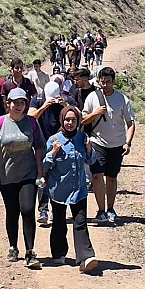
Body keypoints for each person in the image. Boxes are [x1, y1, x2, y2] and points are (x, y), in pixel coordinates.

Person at [0, 88, 46, 269]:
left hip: (28, 174)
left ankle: (30, 251)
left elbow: (39, 148)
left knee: (28, 210)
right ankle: (13, 246)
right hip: (6, 175)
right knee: (12, 212)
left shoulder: (32, 123)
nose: (19, 106)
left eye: (22, 103)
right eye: (16, 103)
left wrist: (40, 171)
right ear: (8, 103)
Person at [43, 106, 99, 273]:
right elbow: (45, 165)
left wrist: (89, 149)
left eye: (73, 120)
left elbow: (91, 160)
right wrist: (53, 153)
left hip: (79, 189)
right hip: (59, 189)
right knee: (59, 222)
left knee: (80, 223)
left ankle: (86, 257)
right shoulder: (54, 140)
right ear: (62, 120)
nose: (70, 123)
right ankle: (59, 253)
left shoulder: (83, 138)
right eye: (67, 120)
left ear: (78, 121)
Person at [82, 67, 136, 224]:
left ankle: (111, 208)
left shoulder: (122, 99)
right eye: (102, 81)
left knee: (111, 177)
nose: (105, 85)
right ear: (98, 81)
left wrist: (128, 143)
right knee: (97, 175)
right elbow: (83, 120)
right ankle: (101, 210)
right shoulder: (92, 97)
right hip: (97, 142)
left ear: (114, 82)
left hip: (117, 144)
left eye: (108, 82)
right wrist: (96, 113)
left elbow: (130, 123)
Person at [28, 81, 72, 224]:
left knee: (60, 178)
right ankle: (43, 210)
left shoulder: (67, 99)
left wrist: (64, 106)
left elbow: (76, 116)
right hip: (42, 144)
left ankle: (57, 209)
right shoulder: (38, 99)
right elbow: (30, 117)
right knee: (41, 177)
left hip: (62, 143)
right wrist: (44, 106)